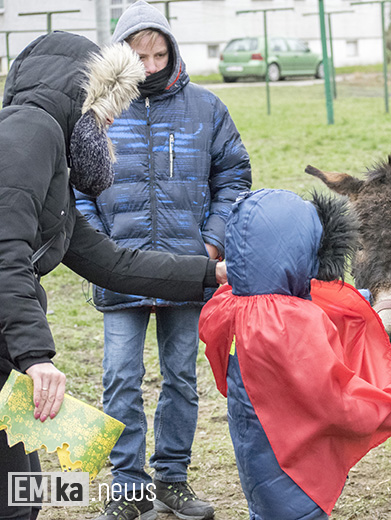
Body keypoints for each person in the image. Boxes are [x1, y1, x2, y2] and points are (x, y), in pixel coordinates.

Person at [0, 31, 227, 520]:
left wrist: (213, 273)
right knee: (17, 498)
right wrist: (36, 356)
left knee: (24, 492)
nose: (110, 126)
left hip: (5, 351)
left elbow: (112, 263)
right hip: (12, 348)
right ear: (89, 99)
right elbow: (5, 253)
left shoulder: (50, 154)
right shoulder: (29, 131)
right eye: (108, 113)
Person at [74, 2, 252, 520]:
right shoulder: (96, 112)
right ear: (118, 55)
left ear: (172, 51)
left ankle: (172, 479)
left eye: (158, 54)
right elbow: (78, 186)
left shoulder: (207, 107)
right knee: (120, 379)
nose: (149, 66)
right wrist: (101, 248)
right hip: (117, 269)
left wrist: (211, 244)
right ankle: (127, 488)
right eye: (138, 54)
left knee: (179, 377)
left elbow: (233, 178)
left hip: (186, 270)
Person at [199, 189, 391, 520]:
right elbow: (335, 397)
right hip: (297, 468)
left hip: (257, 456)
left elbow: (313, 299)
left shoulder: (231, 303)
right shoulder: (289, 321)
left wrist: (362, 299)